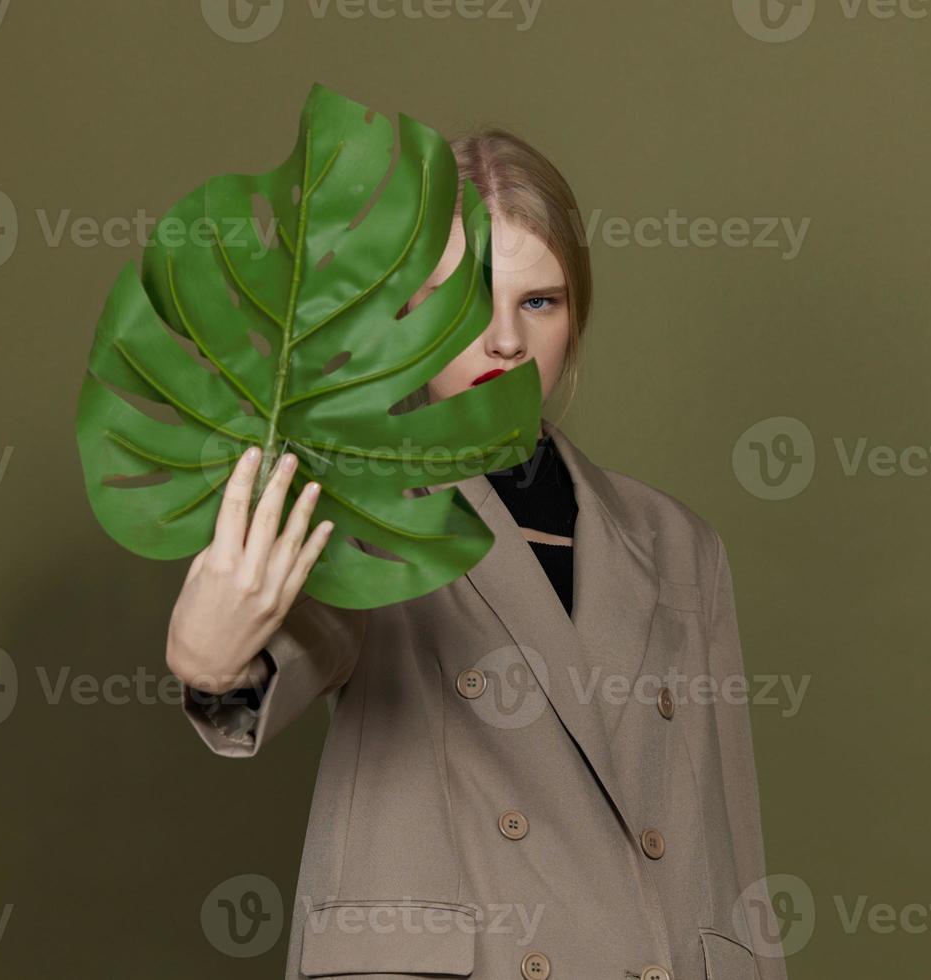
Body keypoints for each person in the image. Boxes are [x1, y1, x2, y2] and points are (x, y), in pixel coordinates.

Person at [166, 129, 787, 980]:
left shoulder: (677, 543)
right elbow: (305, 632)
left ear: (577, 315)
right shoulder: (356, 502)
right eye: (461, 302)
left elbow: (728, 840)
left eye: (540, 302)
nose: (503, 342)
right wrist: (219, 666)